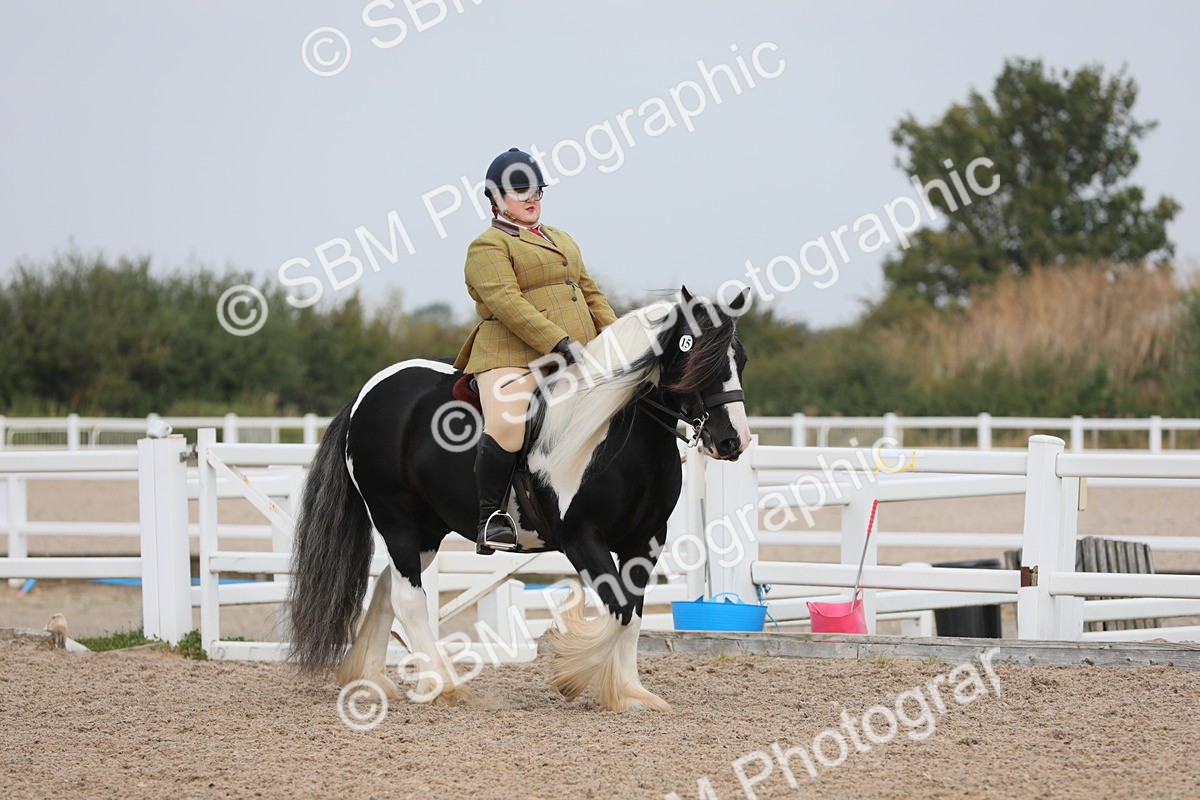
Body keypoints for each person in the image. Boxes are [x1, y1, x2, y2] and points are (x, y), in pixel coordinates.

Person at [453, 147, 618, 553]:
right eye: (520, 191)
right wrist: (558, 342)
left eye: (537, 191)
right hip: (511, 353)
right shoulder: (487, 246)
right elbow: (507, 303)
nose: (532, 199)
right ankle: (491, 517)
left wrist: (618, 339)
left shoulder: (561, 238)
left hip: (577, 350)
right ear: (494, 198)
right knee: (509, 420)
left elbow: (589, 291)